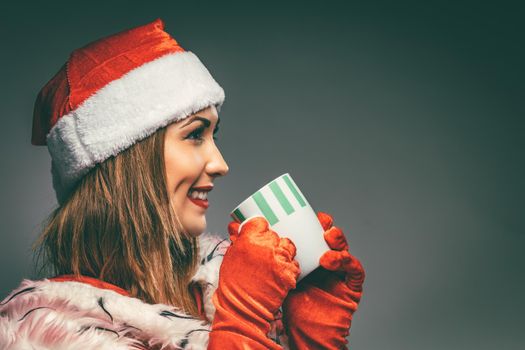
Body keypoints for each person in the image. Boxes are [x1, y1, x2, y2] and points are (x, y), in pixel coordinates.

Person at [0, 18, 365, 349]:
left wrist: (312, 343)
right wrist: (241, 326)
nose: (220, 164)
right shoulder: (43, 335)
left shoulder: (213, 295)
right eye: (194, 135)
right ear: (127, 159)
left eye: (214, 137)